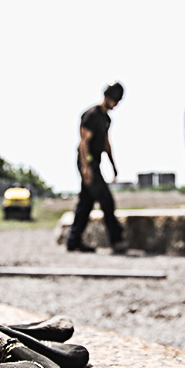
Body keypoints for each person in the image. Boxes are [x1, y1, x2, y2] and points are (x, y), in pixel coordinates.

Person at [66, 82, 127, 255]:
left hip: (96, 162)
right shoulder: (91, 115)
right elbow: (83, 143)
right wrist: (86, 168)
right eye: (114, 100)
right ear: (106, 97)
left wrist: (113, 166)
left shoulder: (106, 119)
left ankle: (74, 240)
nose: (115, 104)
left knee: (86, 203)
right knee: (106, 200)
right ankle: (117, 239)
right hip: (87, 162)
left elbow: (107, 143)